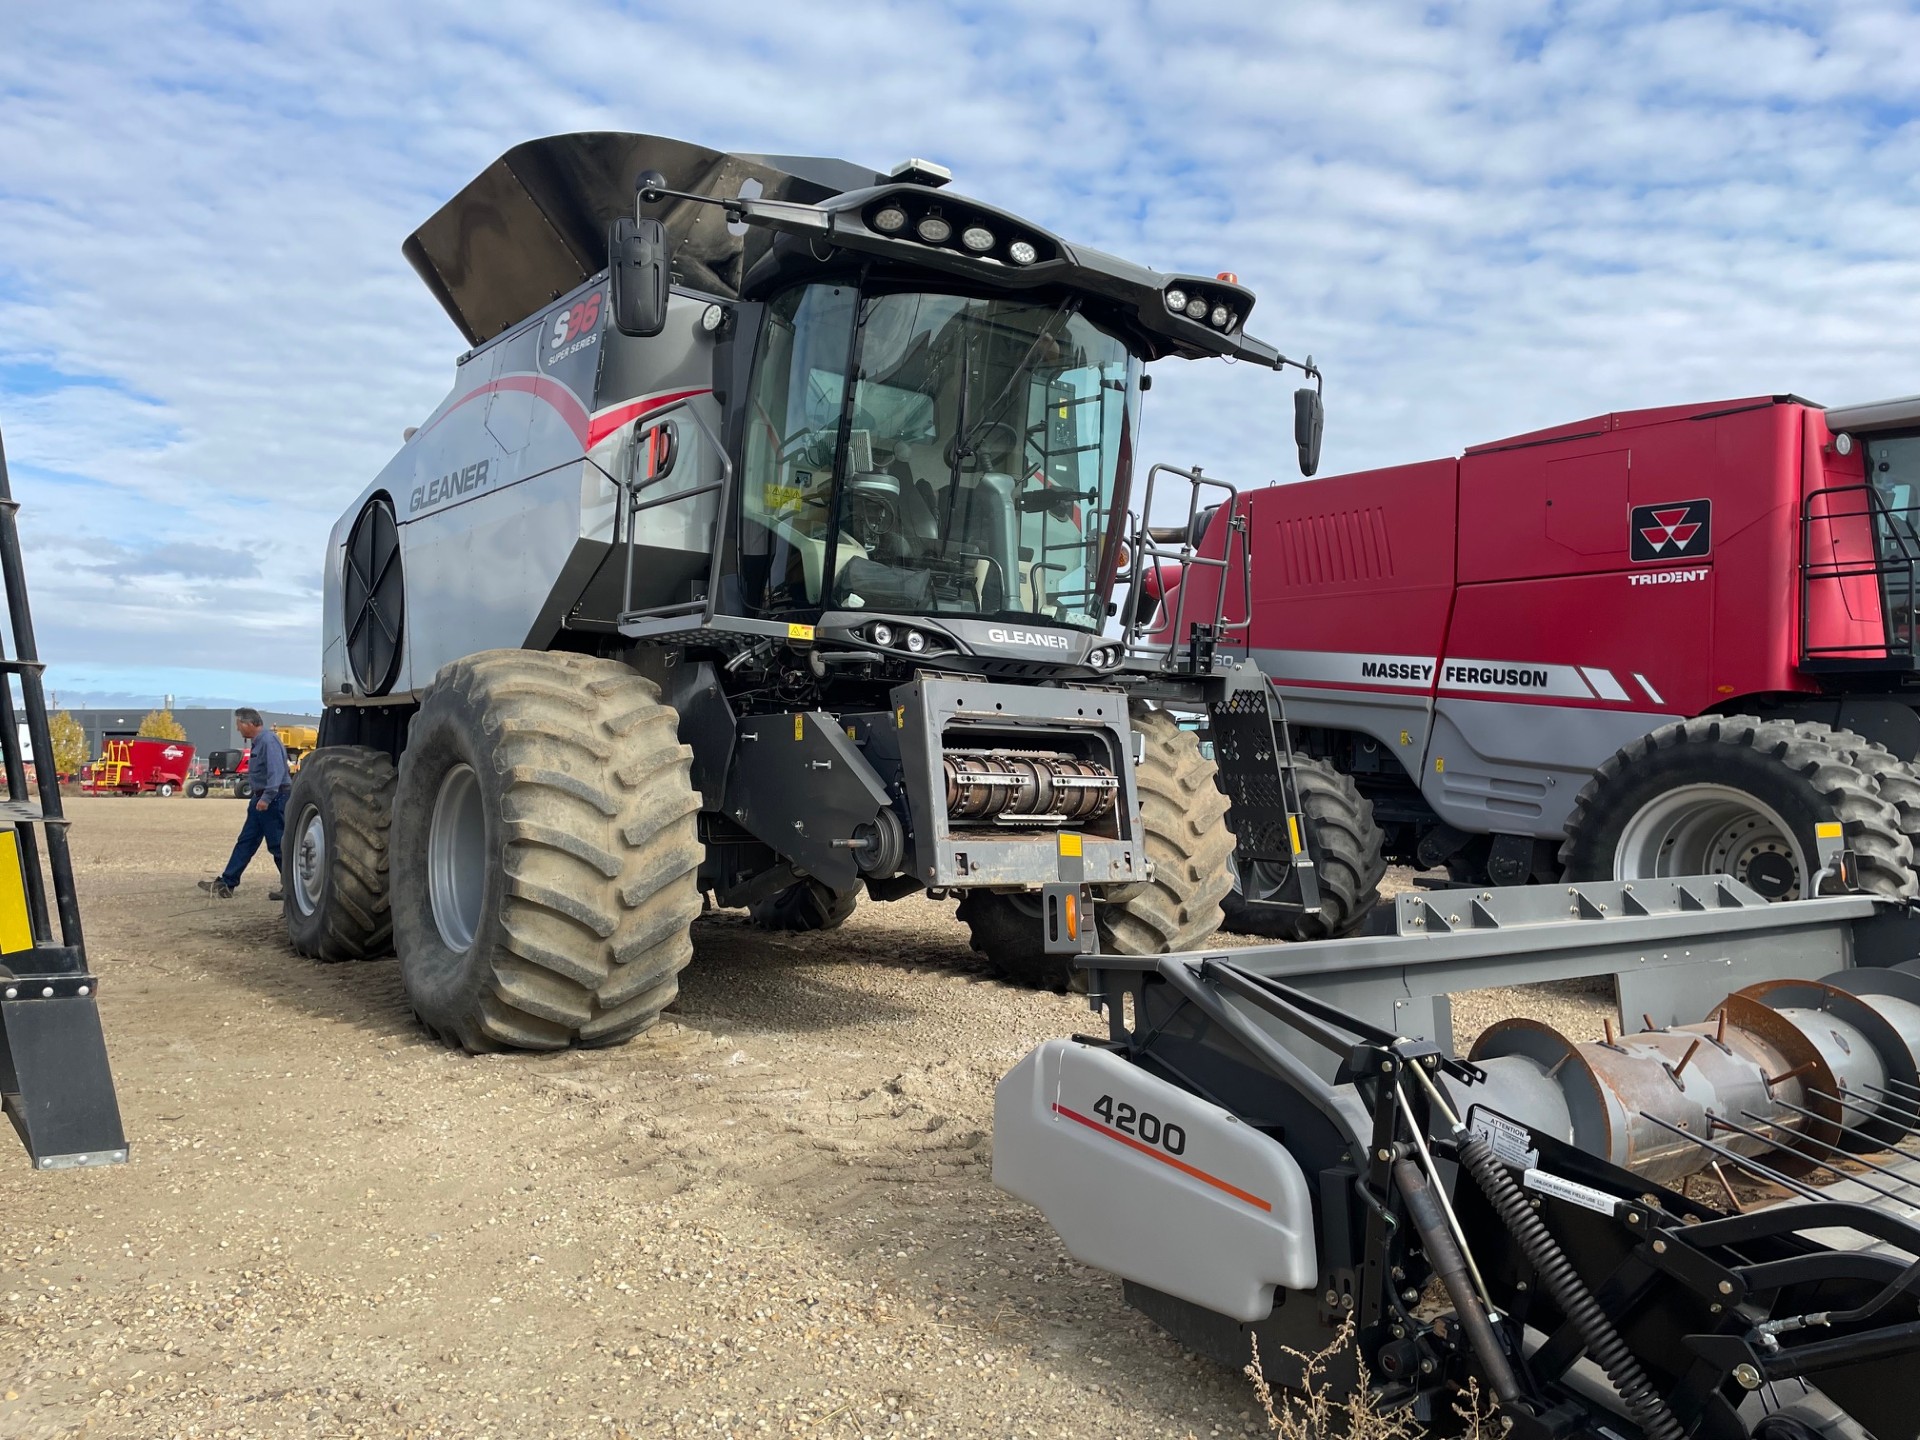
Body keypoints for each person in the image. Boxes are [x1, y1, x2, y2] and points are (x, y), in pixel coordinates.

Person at [198, 709, 291, 901]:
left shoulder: (268, 741)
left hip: (272, 799)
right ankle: (226, 883)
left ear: (249, 723)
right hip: (261, 799)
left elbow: (276, 771)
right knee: (246, 842)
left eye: (238, 724)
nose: (237, 729)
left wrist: (267, 797)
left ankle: (291, 888)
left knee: (277, 845)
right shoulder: (261, 741)